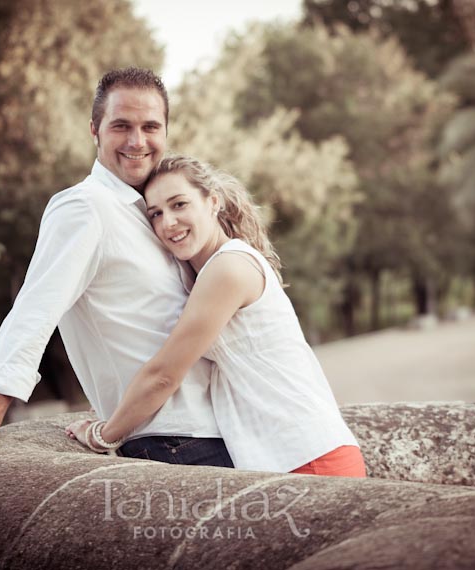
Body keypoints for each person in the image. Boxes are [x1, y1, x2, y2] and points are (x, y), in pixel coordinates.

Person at [0, 68, 233, 468]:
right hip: (174, 440)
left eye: (150, 126)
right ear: (95, 130)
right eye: (121, 126)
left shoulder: (160, 215)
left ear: (166, 132)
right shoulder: (84, 208)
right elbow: (36, 307)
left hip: (220, 426)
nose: (137, 141)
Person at [67, 156, 365, 477]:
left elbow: (165, 375)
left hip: (309, 455)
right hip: (288, 456)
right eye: (156, 213)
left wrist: (104, 434)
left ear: (212, 203)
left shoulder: (229, 268)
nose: (168, 222)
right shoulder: (207, 272)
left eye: (179, 204)